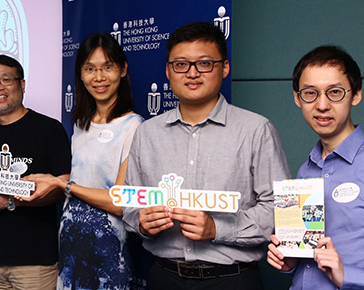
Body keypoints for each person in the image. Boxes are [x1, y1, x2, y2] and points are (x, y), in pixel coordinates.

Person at [123, 21, 291, 289]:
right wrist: (141, 223)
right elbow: (130, 203)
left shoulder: (256, 130)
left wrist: (217, 229)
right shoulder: (147, 133)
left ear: (224, 68)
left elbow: (280, 209)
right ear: (168, 71)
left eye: (204, 63)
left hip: (232, 279)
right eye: (181, 64)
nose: (192, 73)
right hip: (164, 277)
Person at [267, 45, 364, 289]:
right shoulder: (306, 171)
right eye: (310, 93)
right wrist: (291, 261)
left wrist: (350, 275)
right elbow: (307, 258)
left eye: (335, 92)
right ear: (297, 98)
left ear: (355, 95)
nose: (322, 105)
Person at [20, 34, 144, 289]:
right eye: (90, 69)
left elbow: (119, 202)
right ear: (80, 74)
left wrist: (61, 184)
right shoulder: (80, 124)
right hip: (70, 245)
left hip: (107, 249)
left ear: (123, 69)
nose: (99, 77)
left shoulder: (134, 126)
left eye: (107, 67)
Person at [0, 54, 72, 290]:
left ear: (22, 85)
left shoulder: (49, 129)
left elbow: (62, 188)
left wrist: (11, 202)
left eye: (5, 79)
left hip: (34, 263)